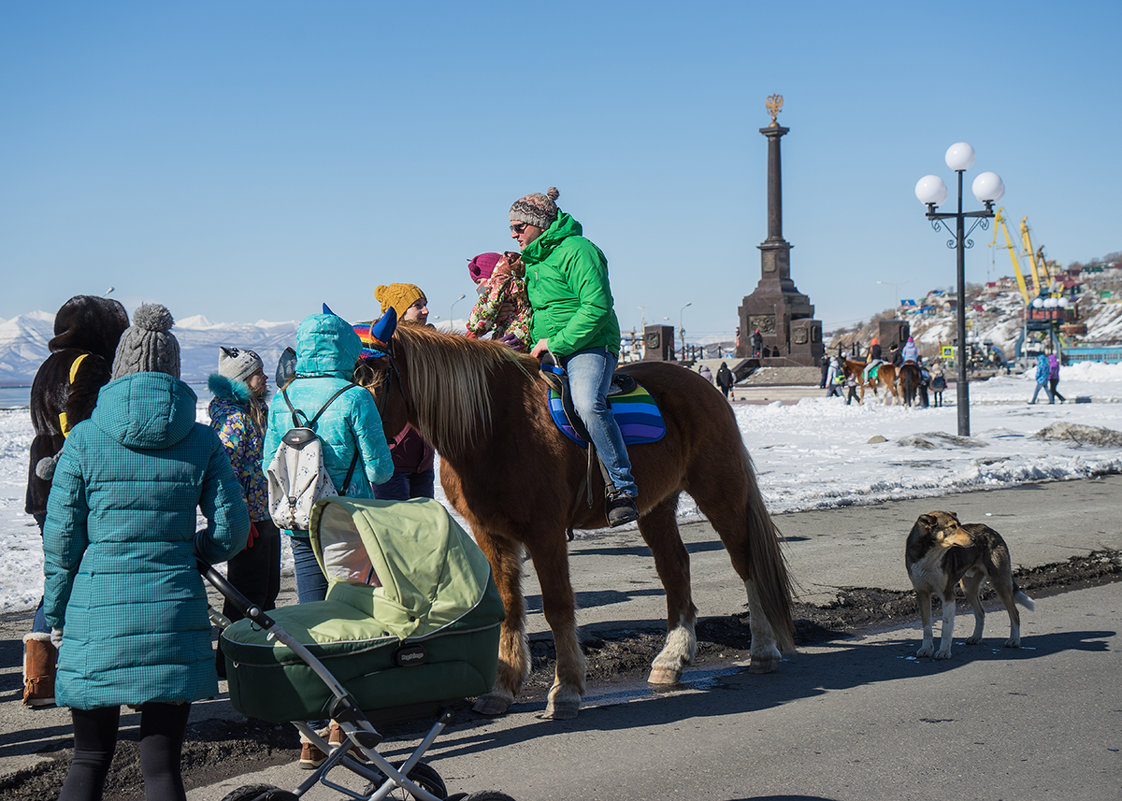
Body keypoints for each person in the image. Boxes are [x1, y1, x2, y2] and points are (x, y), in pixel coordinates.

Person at [43, 304, 249, 801]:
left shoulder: (86, 438)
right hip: (173, 607)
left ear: (118, 369)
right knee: (162, 770)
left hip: (97, 613)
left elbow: (62, 539)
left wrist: (55, 610)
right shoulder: (200, 438)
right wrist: (191, 549)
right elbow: (232, 531)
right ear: (174, 372)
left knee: (89, 758)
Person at [23, 295, 130, 709]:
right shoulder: (90, 364)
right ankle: (71, 670)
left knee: (58, 570)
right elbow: (87, 426)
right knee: (77, 575)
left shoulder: (48, 365)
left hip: (40, 483)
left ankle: (39, 673)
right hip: (73, 483)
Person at [510, 186, 639, 526]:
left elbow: (596, 307)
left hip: (590, 346)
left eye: (519, 226)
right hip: (547, 349)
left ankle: (621, 487)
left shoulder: (579, 250)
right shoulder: (534, 260)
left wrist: (556, 343)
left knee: (586, 403)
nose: (513, 234)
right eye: (511, 227)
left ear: (540, 223)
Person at [265, 312, 394, 603]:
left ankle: (314, 649)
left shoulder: (281, 399)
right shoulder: (355, 397)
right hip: (349, 518)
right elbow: (380, 472)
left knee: (312, 605)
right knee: (354, 605)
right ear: (347, 349)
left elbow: (268, 466)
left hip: (301, 517)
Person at [207, 347, 280, 642]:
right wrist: (238, 518)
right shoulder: (233, 421)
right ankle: (233, 656)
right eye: (257, 374)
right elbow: (226, 474)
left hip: (265, 514)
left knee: (267, 590)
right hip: (248, 520)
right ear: (241, 381)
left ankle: (264, 651)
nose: (264, 378)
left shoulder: (255, 412)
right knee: (247, 592)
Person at [367, 284, 438, 501]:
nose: (425, 311)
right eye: (418, 306)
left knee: (425, 526)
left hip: (423, 459)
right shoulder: (383, 351)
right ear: (398, 312)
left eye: (425, 305)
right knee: (395, 526)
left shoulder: (433, 345)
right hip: (393, 461)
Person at [466, 252, 533, 349]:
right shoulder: (515, 282)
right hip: (521, 334)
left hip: (513, 337)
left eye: (479, 282)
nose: (479, 288)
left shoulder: (499, 281)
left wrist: (473, 331)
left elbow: (486, 309)